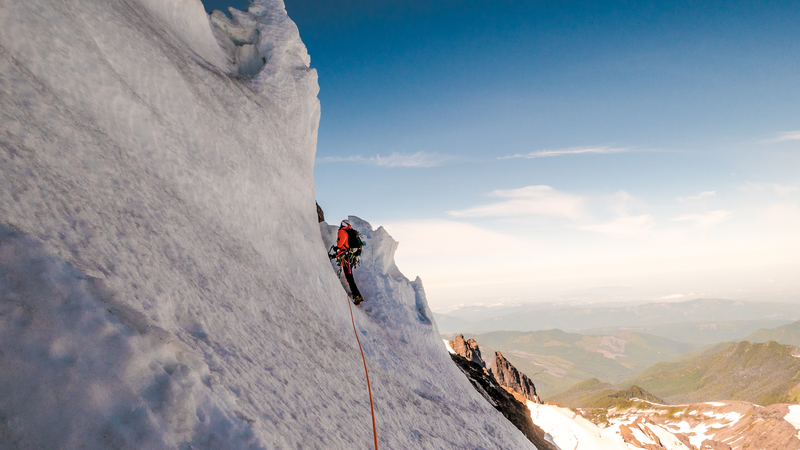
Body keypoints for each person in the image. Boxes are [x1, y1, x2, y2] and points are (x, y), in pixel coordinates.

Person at [330, 220, 364, 304]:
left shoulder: (342, 231)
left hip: (347, 257)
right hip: (352, 257)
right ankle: (357, 295)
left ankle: (357, 296)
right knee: (349, 276)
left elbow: (341, 247)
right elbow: (345, 248)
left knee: (349, 277)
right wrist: (335, 255)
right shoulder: (350, 231)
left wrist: (335, 253)